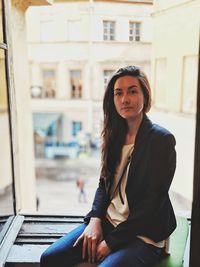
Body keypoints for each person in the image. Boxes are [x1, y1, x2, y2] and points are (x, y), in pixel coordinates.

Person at [40, 65, 176, 267]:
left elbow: (151, 205)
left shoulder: (161, 140)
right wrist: (95, 219)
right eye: (118, 93)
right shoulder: (114, 135)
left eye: (132, 91)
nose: (125, 99)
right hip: (109, 221)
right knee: (50, 258)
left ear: (145, 96)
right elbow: (104, 183)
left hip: (144, 233)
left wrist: (110, 243)